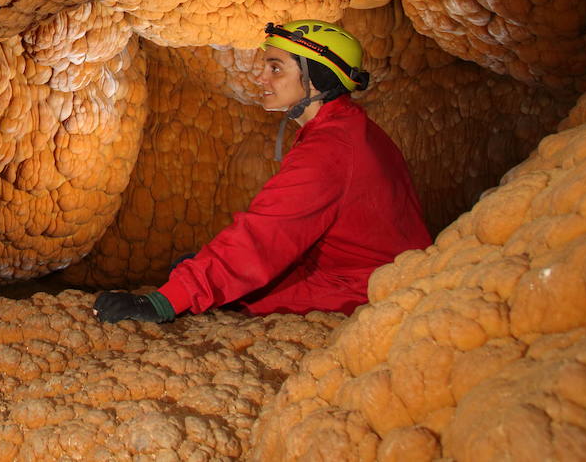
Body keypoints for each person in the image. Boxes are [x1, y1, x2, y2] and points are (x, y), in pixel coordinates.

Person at [93, 20, 432, 324]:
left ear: (316, 79)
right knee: (198, 271)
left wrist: (163, 302)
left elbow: (263, 239)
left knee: (223, 294)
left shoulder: (330, 149)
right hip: (369, 274)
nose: (261, 78)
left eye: (276, 68)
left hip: (357, 290)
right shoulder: (351, 128)